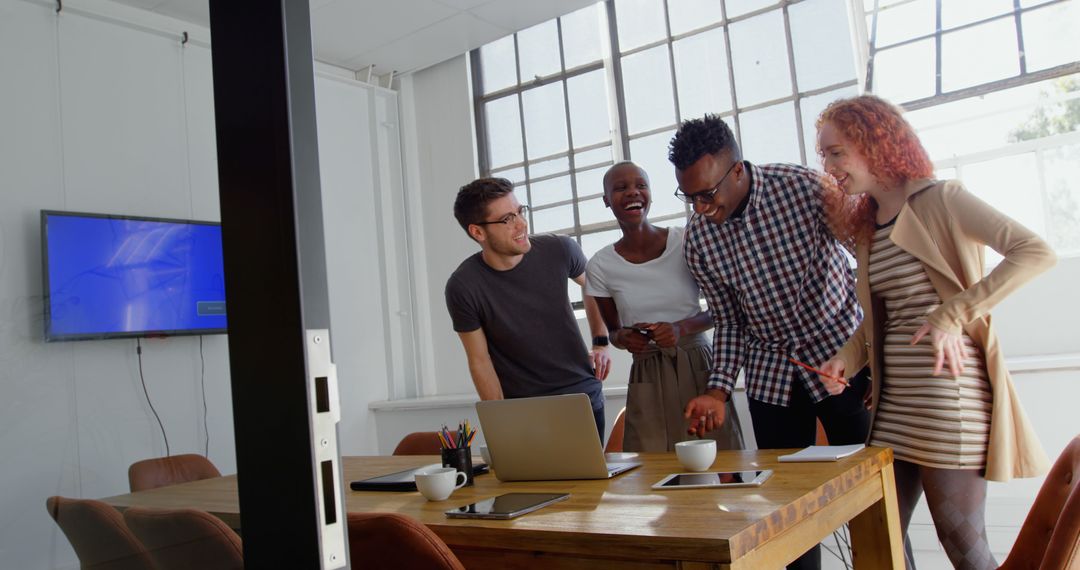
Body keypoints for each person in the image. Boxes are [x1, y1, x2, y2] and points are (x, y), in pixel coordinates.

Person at [814, 95, 1054, 570]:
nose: (828, 165)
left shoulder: (943, 199)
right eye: (823, 154)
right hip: (894, 407)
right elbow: (880, 320)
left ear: (873, 141)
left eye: (836, 151)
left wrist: (952, 314)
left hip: (949, 401)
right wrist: (846, 357)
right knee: (876, 544)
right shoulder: (867, 225)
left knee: (964, 548)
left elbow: (1035, 252)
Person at [669, 115, 872, 570]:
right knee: (785, 511)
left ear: (737, 170)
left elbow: (867, 258)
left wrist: (874, 352)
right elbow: (730, 321)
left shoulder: (804, 188)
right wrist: (718, 390)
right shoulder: (700, 241)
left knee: (873, 498)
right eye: (689, 197)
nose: (699, 208)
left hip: (841, 361)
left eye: (707, 194)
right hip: (771, 375)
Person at [584, 161, 744, 452]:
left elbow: (723, 310)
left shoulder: (685, 241)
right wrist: (625, 338)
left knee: (722, 459)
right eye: (620, 188)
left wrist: (680, 328)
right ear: (606, 200)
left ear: (650, 194)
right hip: (647, 370)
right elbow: (615, 332)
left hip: (697, 362)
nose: (633, 193)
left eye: (640, 185)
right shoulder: (600, 265)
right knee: (652, 464)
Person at [445, 177, 612, 440]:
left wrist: (601, 342)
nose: (521, 224)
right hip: (521, 411)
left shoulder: (560, 249)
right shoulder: (463, 286)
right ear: (478, 232)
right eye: (507, 219)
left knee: (584, 481)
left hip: (581, 400)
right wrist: (499, 422)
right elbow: (479, 361)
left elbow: (595, 285)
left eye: (520, 211)